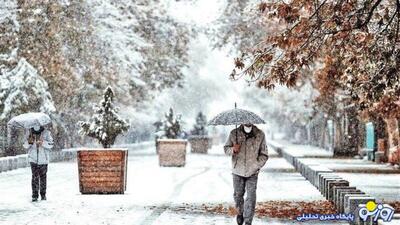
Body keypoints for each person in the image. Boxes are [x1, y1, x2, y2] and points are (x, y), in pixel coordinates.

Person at [224, 124, 269, 225]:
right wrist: (233, 149)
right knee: (238, 196)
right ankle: (240, 214)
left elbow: (264, 154)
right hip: (237, 171)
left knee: (251, 197)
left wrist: (257, 165)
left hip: (252, 172)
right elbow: (226, 149)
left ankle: (248, 222)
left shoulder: (260, 134)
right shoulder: (234, 133)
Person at [23, 125, 54, 202]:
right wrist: (29, 142)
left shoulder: (46, 133)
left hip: (43, 159)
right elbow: (24, 145)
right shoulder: (29, 132)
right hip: (33, 159)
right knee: (34, 177)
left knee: (43, 178)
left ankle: (43, 195)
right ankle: (34, 195)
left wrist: (43, 143)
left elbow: (51, 144)